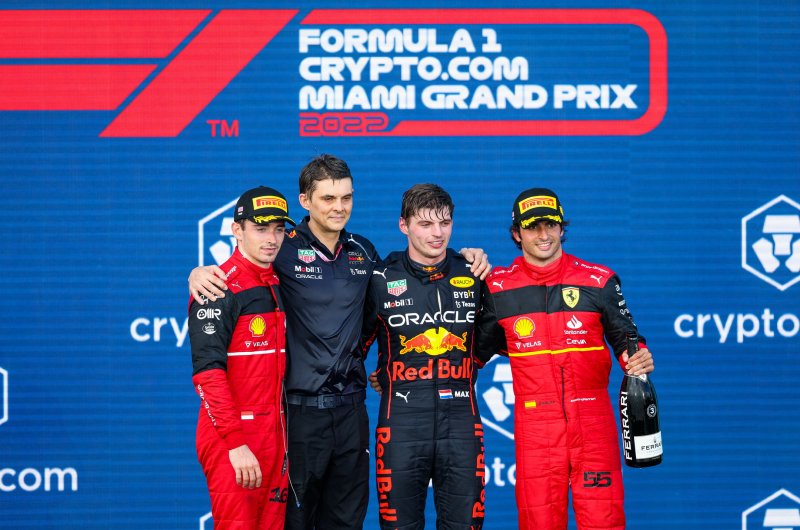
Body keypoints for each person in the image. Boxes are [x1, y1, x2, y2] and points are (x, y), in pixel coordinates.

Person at [188, 155, 491, 530]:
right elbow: (244, 269)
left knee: (347, 521)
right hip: (298, 414)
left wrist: (466, 258)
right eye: (328, 198)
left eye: (346, 197)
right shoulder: (280, 248)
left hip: (350, 411)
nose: (339, 207)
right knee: (294, 521)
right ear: (305, 201)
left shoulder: (363, 251)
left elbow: (398, 298)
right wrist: (199, 273)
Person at [476, 188, 655, 530]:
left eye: (551, 225)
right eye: (532, 227)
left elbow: (627, 340)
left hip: (593, 424)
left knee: (604, 522)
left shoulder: (598, 280)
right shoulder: (498, 288)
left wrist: (638, 358)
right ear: (516, 233)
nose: (543, 234)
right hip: (536, 430)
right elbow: (471, 355)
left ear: (562, 228)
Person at [362, 184, 492, 530]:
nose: (437, 233)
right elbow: (349, 348)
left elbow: (492, 338)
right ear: (403, 225)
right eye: (425, 224)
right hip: (401, 426)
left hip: (461, 424)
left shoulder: (474, 273)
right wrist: (383, 372)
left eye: (444, 223)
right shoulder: (380, 279)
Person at [188, 185, 294, 530]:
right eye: (260, 229)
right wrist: (235, 443)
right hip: (233, 438)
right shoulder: (216, 287)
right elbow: (208, 375)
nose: (272, 239)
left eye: (278, 229)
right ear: (237, 230)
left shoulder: (280, 280)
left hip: (277, 435)